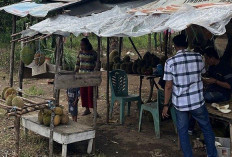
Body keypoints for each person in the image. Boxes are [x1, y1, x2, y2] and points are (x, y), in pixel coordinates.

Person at [162, 34, 217, 157]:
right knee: (206, 128)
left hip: (180, 104)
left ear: (175, 46)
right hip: (197, 102)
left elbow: (168, 86)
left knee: (183, 131)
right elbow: (202, 73)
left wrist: (165, 105)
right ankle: (212, 155)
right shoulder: (199, 57)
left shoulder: (170, 62)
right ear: (187, 45)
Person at [76, 38, 99, 116]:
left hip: (90, 77)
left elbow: (98, 63)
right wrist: (75, 72)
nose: (81, 46)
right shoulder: (80, 52)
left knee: (91, 93)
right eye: (81, 45)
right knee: (83, 93)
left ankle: (95, 111)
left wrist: (96, 69)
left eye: (83, 45)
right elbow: (77, 63)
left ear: (87, 44)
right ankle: (87, 109)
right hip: (82, 77)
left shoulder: (93, 53)